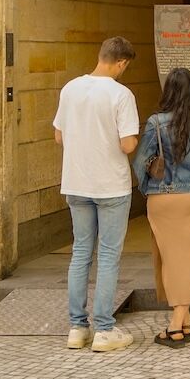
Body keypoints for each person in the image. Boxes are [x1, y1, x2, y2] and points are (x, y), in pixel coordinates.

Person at [55, 36, 140, 352]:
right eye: (125, 66)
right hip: (111, 186)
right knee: (107, 255)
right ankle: (104, 329)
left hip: (76, 182)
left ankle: (77, 328)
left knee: (80, 252)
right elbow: (128, 144)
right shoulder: (121, 94)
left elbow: (58, 136)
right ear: (121, 63)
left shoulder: (70, 89)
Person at [133, 67, 190, 348]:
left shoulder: (155, 123)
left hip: (161, 198)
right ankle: (183, 320)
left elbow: (140, 163)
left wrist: (149, 190)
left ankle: (175, 324)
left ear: (167, 91)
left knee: (169, 259)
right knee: (186, 258)